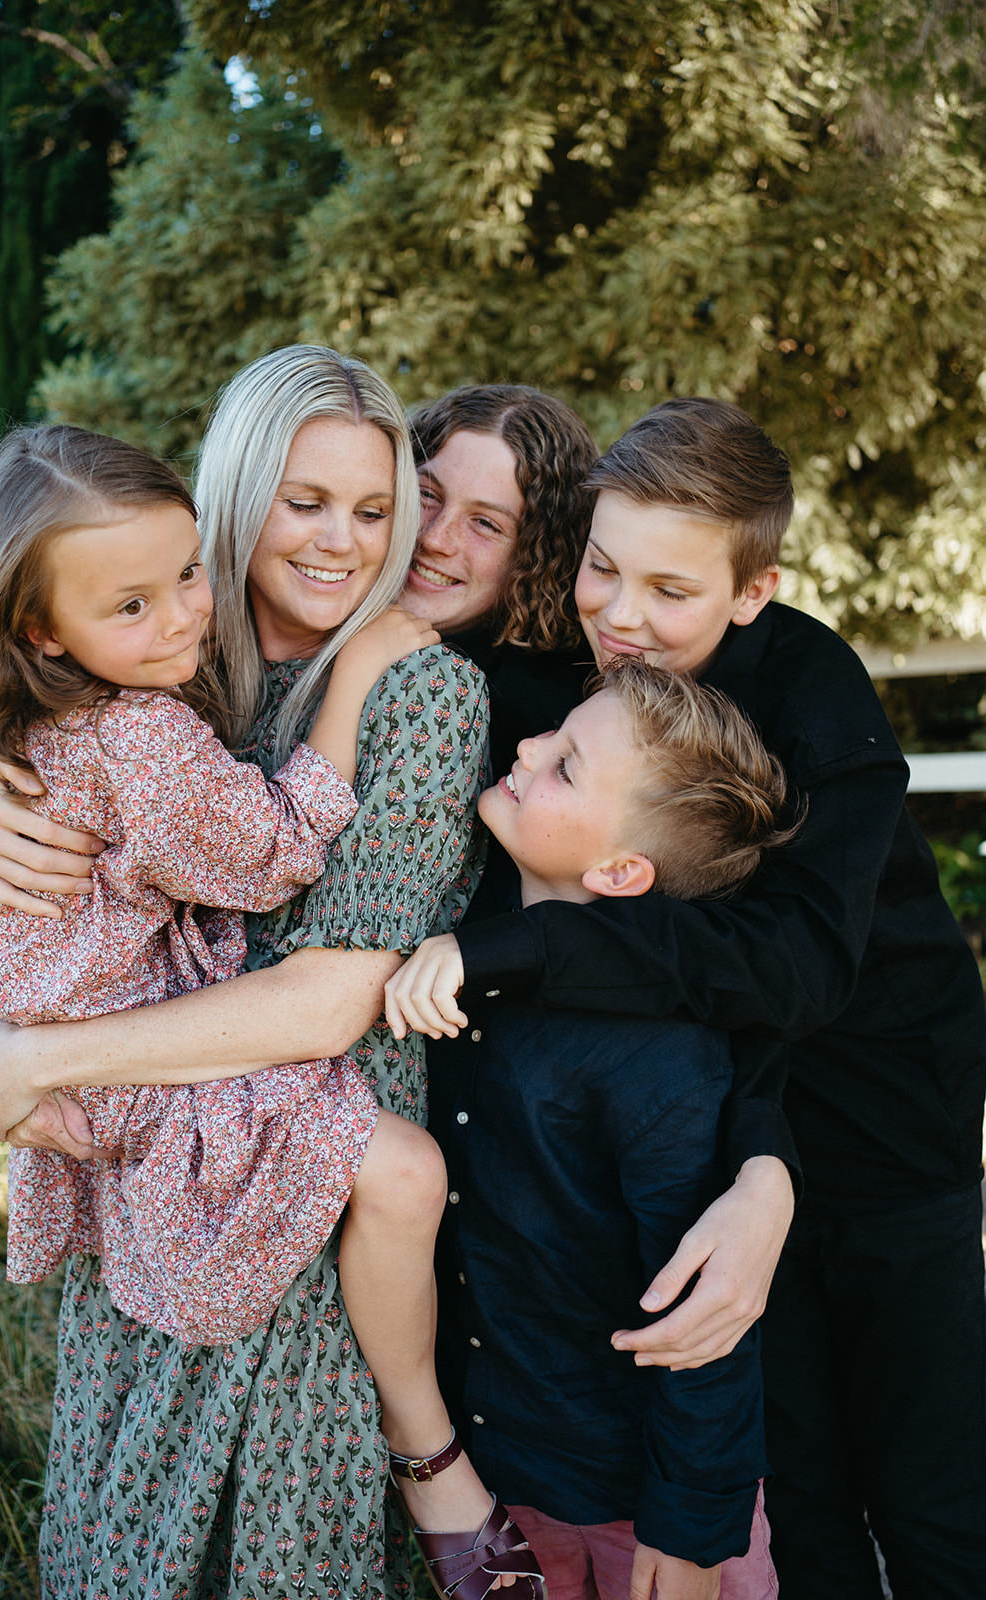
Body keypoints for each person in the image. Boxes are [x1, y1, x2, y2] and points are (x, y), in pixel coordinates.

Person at [0, 350, 550, 1600]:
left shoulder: (413, 693)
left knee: (277, 1533)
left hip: (306, 1141)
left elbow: (328, 1000)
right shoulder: (162, 641)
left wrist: (37, 1062)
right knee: (126, 1518)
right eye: (303, 501)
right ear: (236, 488)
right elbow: (3, 679)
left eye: (374, 511)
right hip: (158, 1140)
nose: (341, 542)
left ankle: (427, 1468)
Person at [391, 398, 986, 1600]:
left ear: (751, 589)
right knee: (798, 1487)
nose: (622, 616)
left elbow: (792, 969)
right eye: (602, 569)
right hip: (687, 1130)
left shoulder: (810, 686)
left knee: (929, 1498)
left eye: (669, 588)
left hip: (882, 1130)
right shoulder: (576, 677)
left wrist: (526, 949)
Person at [386, 656, 794, 1600]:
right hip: (501, 1492)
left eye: (565, 764)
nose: (525, 747)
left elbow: (703, 1325)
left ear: (619, 869)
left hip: (636, 1512)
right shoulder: (463, 971)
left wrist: (692, 1536)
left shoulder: (662, 1063)